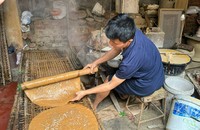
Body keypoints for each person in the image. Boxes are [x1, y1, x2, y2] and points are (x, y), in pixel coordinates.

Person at [71, 14, 165, 110]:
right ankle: (124, 93)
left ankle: (94, 106)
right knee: (114, 69)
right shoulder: (132, 30)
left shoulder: (130, 62)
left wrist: (85, 92)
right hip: (157, 75)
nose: (110, 44)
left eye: (114, 43)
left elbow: (109, 84)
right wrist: (96, 62)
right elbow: (117, 49)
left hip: (147, 85)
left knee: (108, 78)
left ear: (129, 41)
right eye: (110, 40)